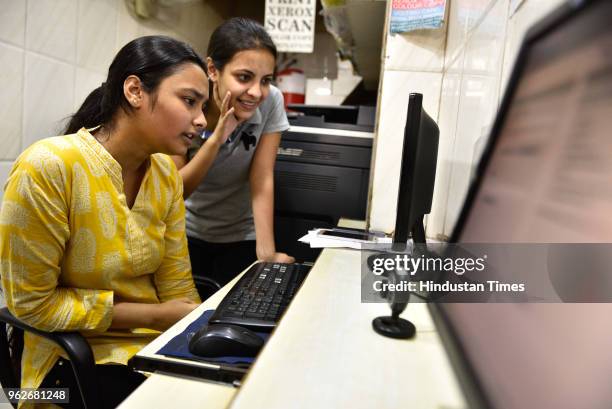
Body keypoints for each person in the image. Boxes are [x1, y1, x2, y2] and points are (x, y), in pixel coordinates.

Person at [0, 36, 228, 409]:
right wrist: (156, 315)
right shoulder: (49, 168)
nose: (202, 120)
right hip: (66, 365)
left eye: (204, 106)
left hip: (150, 349)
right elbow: (32, 307)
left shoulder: (166, 177)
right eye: (189, 101)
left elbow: (177, 288)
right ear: (135, 91)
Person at [173, 18, 295, 290]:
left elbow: (262, 176)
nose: (256, 92)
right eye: (244, 77)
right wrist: (218, 137)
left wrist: (266, 255)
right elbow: (176, 190)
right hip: (187, 234)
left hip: (242, 234)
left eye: (265, 80)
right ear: (213, 70)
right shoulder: (188, 105)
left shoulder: (272, 100)